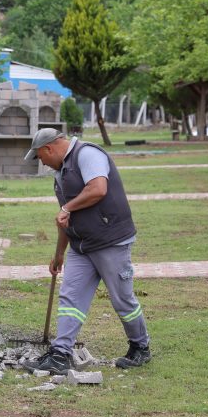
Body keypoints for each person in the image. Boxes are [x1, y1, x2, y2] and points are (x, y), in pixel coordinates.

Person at [24, 128, 151, 373]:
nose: (42, 163)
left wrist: (68, 207)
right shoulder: (61, 173)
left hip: (110, 241)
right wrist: (59, 253)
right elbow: (64, 216)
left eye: (40, 157)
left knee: (122, 299)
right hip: (81, 246)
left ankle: (140, 347)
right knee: (70, 298)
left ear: (49, 148)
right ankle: (61, 354)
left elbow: (98, 188)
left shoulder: (88, 154)